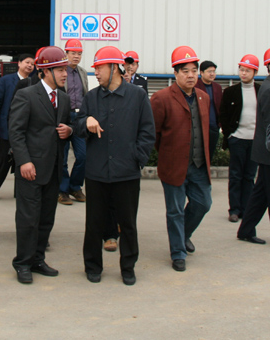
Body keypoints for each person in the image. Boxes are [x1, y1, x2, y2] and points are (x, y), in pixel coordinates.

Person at [72, 47, 155, 285]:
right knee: (94, 223)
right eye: (95, 68)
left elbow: (147, 131)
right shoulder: (91, 98)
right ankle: (92, 266)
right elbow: (77, 127)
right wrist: (85, 121)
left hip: (126, 173)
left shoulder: (137, 96)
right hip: (97, 172)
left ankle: (128, 267)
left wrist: (136, 158)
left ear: (114, 68)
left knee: (127, 224)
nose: (96, 73)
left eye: (99, 68)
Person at [8, 46, 72, 284]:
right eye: (60, 70)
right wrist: (24, 161)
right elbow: (16, 131)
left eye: (65, 69)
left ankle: (37, 259)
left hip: (53, 169)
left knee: (46, 218)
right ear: (45, 71)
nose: (65, 74)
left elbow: (67, 125)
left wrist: (69, 130)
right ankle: (22, 263)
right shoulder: (26, 95)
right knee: (28, 219)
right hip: (31, 169)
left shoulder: (63, 98)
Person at [150, 46, 212, 272]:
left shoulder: (204, 98)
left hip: (198, 165)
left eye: (194, 70)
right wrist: (169, 153)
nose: (190, 75)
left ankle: (183, 235)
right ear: (175, 73)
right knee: (175, 210)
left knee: (204, 203)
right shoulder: (161, 98)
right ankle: (178, 252)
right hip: (173, 165)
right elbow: (154, 134)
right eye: (185, 71)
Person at [0, 54, 35, 201]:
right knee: (2, 162)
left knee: (23, 161)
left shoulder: (33, 83)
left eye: (32, 64)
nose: (29, 66)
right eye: (27, 62)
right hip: (9, 128)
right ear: (19, 63)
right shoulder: (6, 81)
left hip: (27, 129)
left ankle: (20, 192)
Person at [219, 55, 260, 223]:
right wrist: (229, 134)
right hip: (237, 138)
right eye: (241, 70)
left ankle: (246, 209)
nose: (243, 73)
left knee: (249, 176)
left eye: (247, 70)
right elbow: (223, 114)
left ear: (255, 72)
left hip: (254, 140)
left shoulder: (261, 91)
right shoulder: (231, 92)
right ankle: (234, 209)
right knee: (236, 175)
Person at [236, 49, 270, 245]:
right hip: (267, 152)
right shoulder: (269, 89)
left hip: (264, 152)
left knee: (260, 195)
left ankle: (246, 230)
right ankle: (246, 230)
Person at [58, 39, 88, 205]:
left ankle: (75, 187)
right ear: (66, 53)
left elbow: (85, 94)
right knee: (62, 157)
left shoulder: (82, 72)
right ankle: (62, 191)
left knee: (83, 156)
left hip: (79, 118)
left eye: (79, 54)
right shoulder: (61, 71)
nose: (76, 56)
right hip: (64, 117)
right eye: (73, 53)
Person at [195, 60, 223, 161]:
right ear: (201, 73)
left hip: (213, 127)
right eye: (209, 71)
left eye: (214, 71)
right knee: (198, 155)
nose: (212, 74)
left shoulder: (217, 87)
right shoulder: (195, 86)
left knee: (209, 156)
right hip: (199, 127)